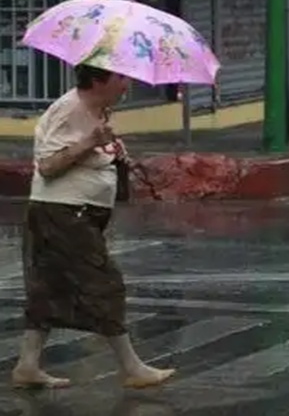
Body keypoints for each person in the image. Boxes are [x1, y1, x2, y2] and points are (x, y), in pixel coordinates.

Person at [12, 65, 176, 389]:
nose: (127, 84)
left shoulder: (98, 111)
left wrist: (111, 152)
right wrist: (90, 142)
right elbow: (48, 166)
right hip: (62, 213)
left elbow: (89, 155)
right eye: (121, 77)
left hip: (76, 213)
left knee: (49, 287)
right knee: (105, 283)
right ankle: (132, 367)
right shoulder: (68, 109)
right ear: (98, 80)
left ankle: (27, 366)